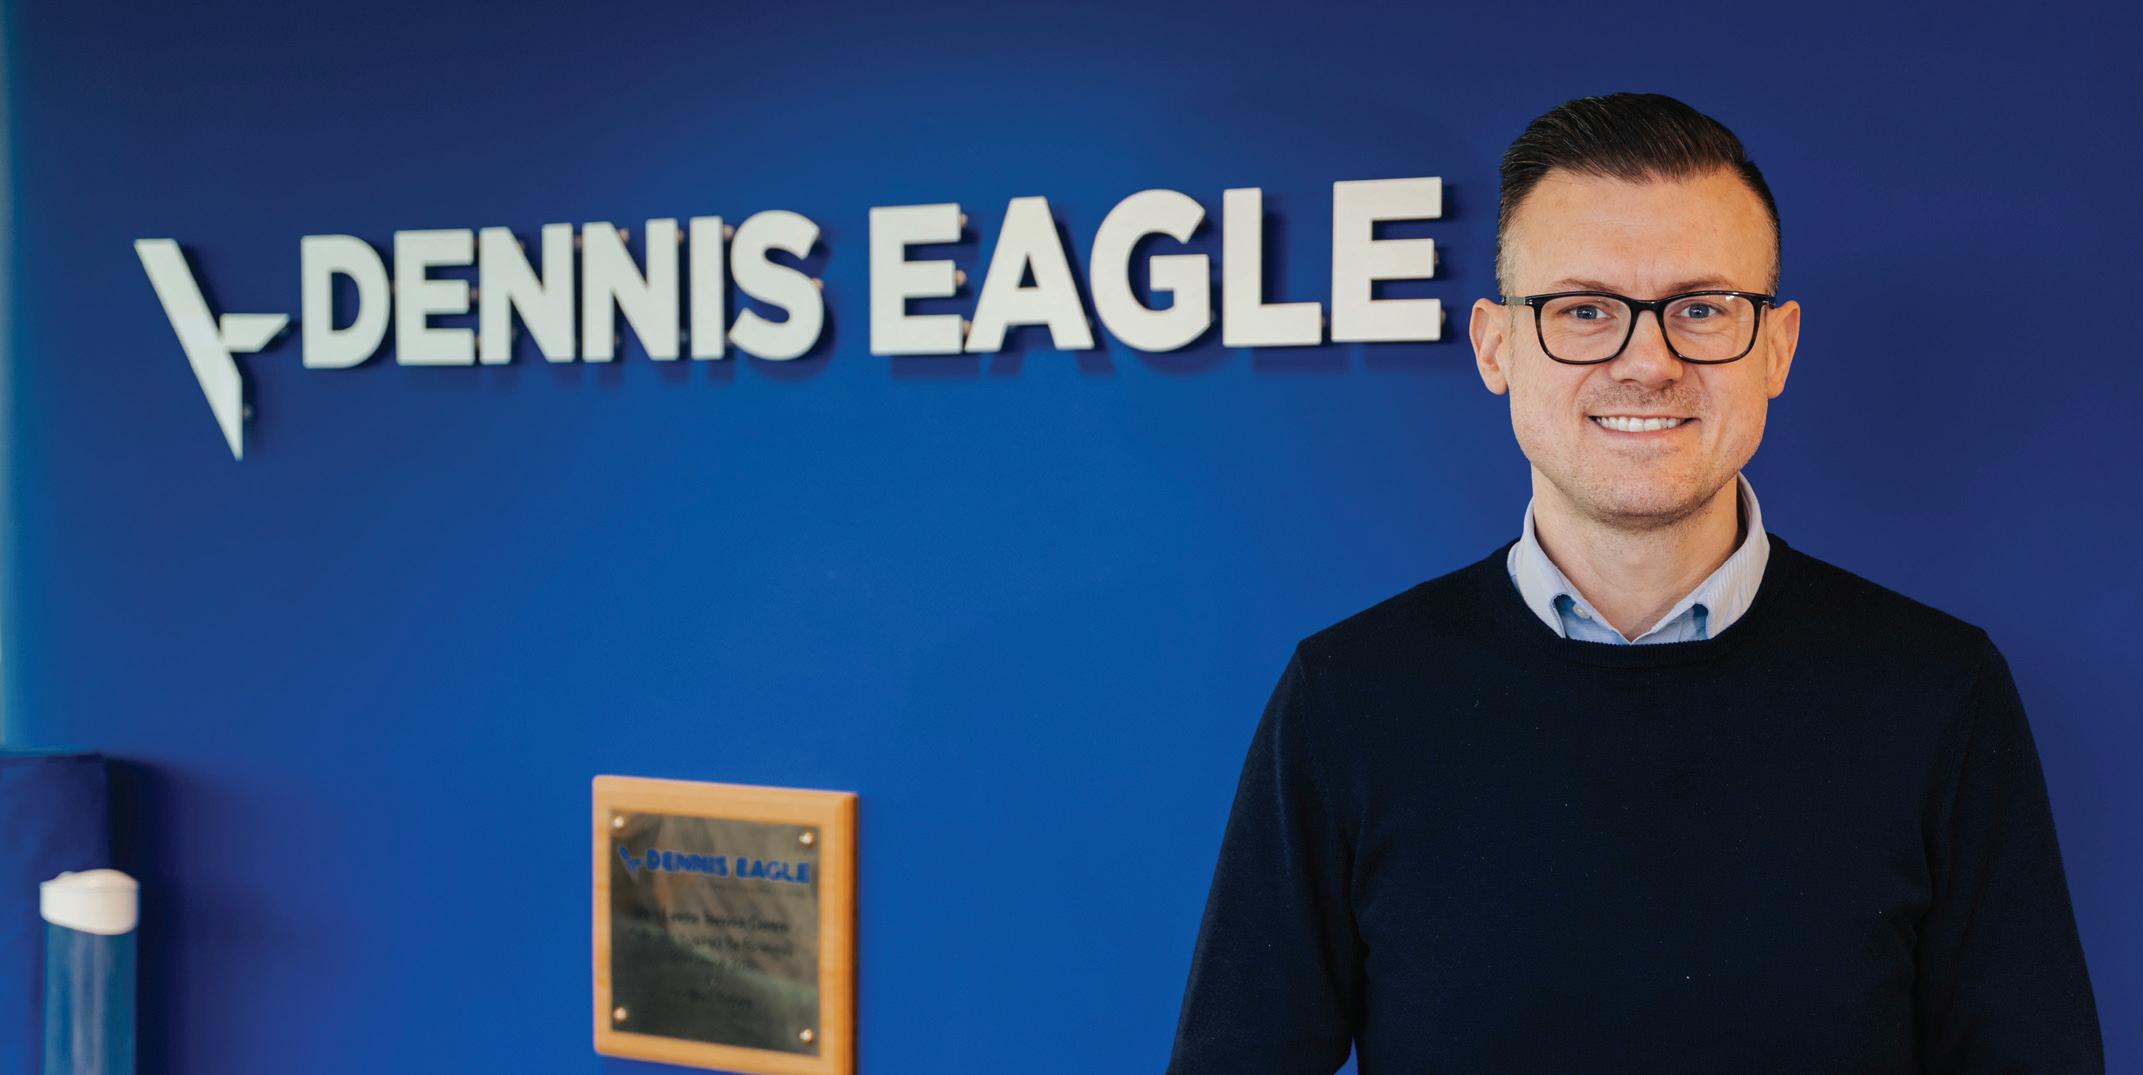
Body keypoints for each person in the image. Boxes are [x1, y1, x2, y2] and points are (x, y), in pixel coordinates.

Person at [1165, 93, 2103, 1073]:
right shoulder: (1347, 698)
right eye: (1583, 310)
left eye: (1700, 309)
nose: (1647, 362)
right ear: (1494, 346)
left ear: (1775, 347)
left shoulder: (1938, 693)